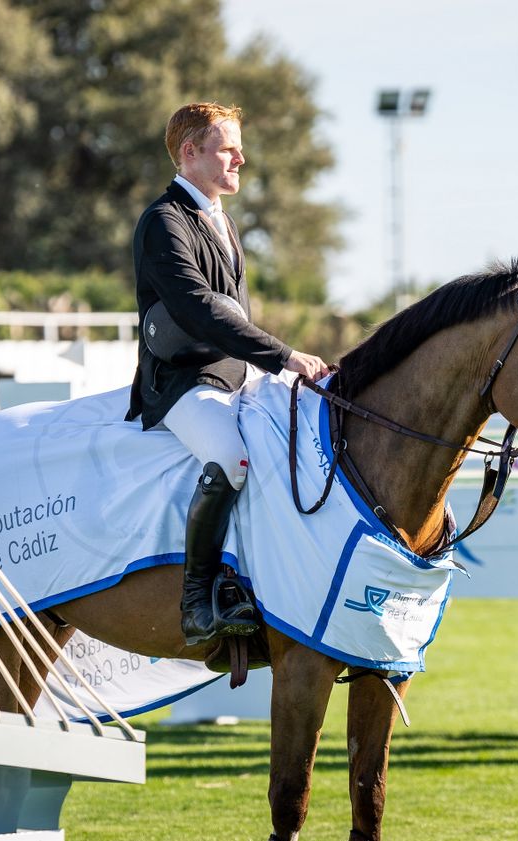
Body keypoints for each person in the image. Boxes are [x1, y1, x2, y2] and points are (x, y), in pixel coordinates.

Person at [126, 102, 330, 646]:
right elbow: (199, 310)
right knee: (229, 457)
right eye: (227, 149)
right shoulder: (164, 221)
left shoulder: (222, 219)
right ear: (190, 152)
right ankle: (196, 601)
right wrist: (283, 356)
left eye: (239, 148)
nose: (240, 158)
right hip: (183, 382)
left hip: (237, 375)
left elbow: (236, 314)